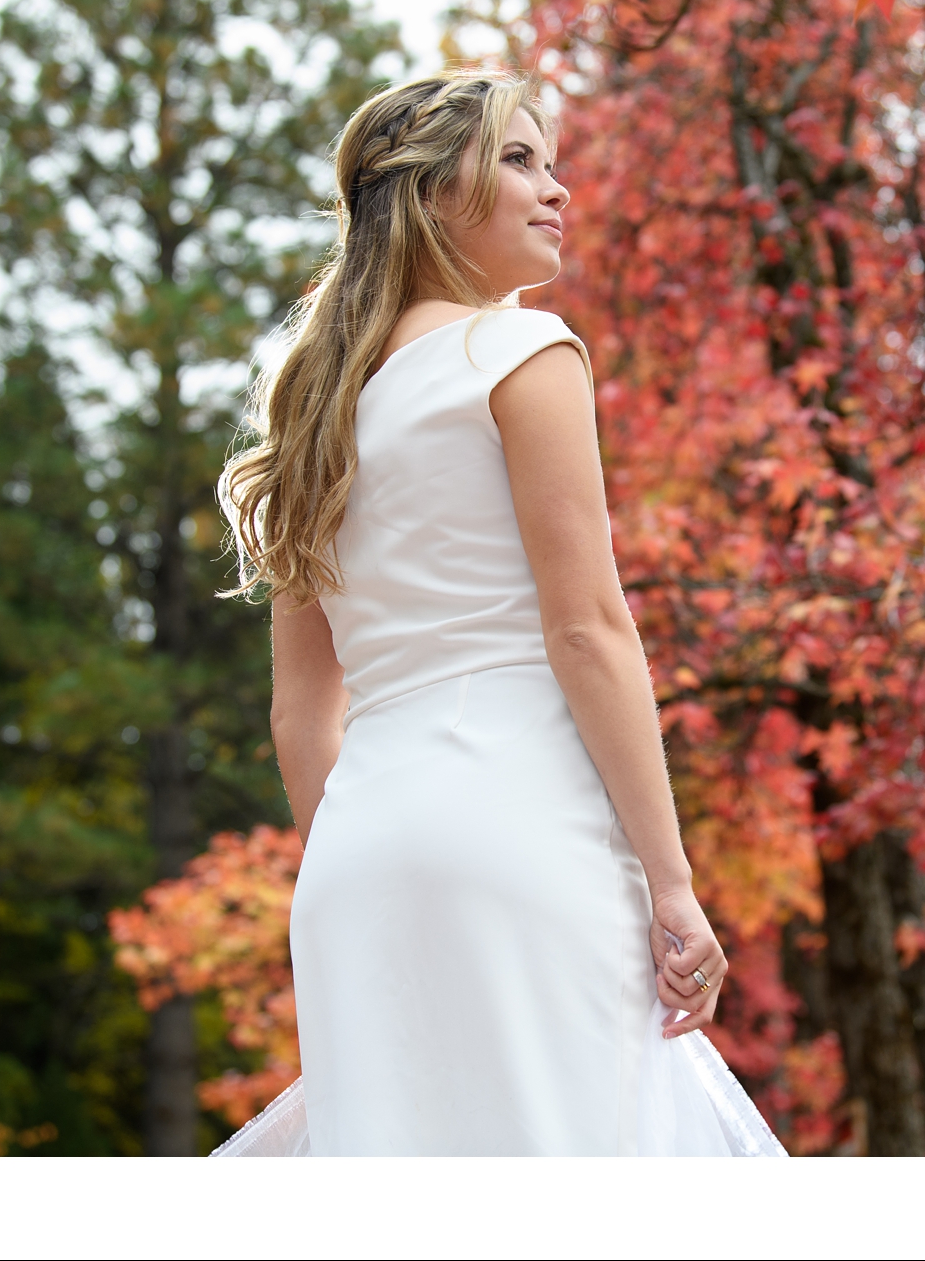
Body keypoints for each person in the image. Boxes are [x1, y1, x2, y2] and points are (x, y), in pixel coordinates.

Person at [213, 68, 784, 1156]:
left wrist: (372, 857)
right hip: (520, 826)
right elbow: (588, 633)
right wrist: (673, 882)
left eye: (550, 161)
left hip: (357, 864)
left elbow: (300, 717)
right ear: (432, 196)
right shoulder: (521, 352)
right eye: (519, 160)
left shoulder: (310, 417)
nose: (555, 188)